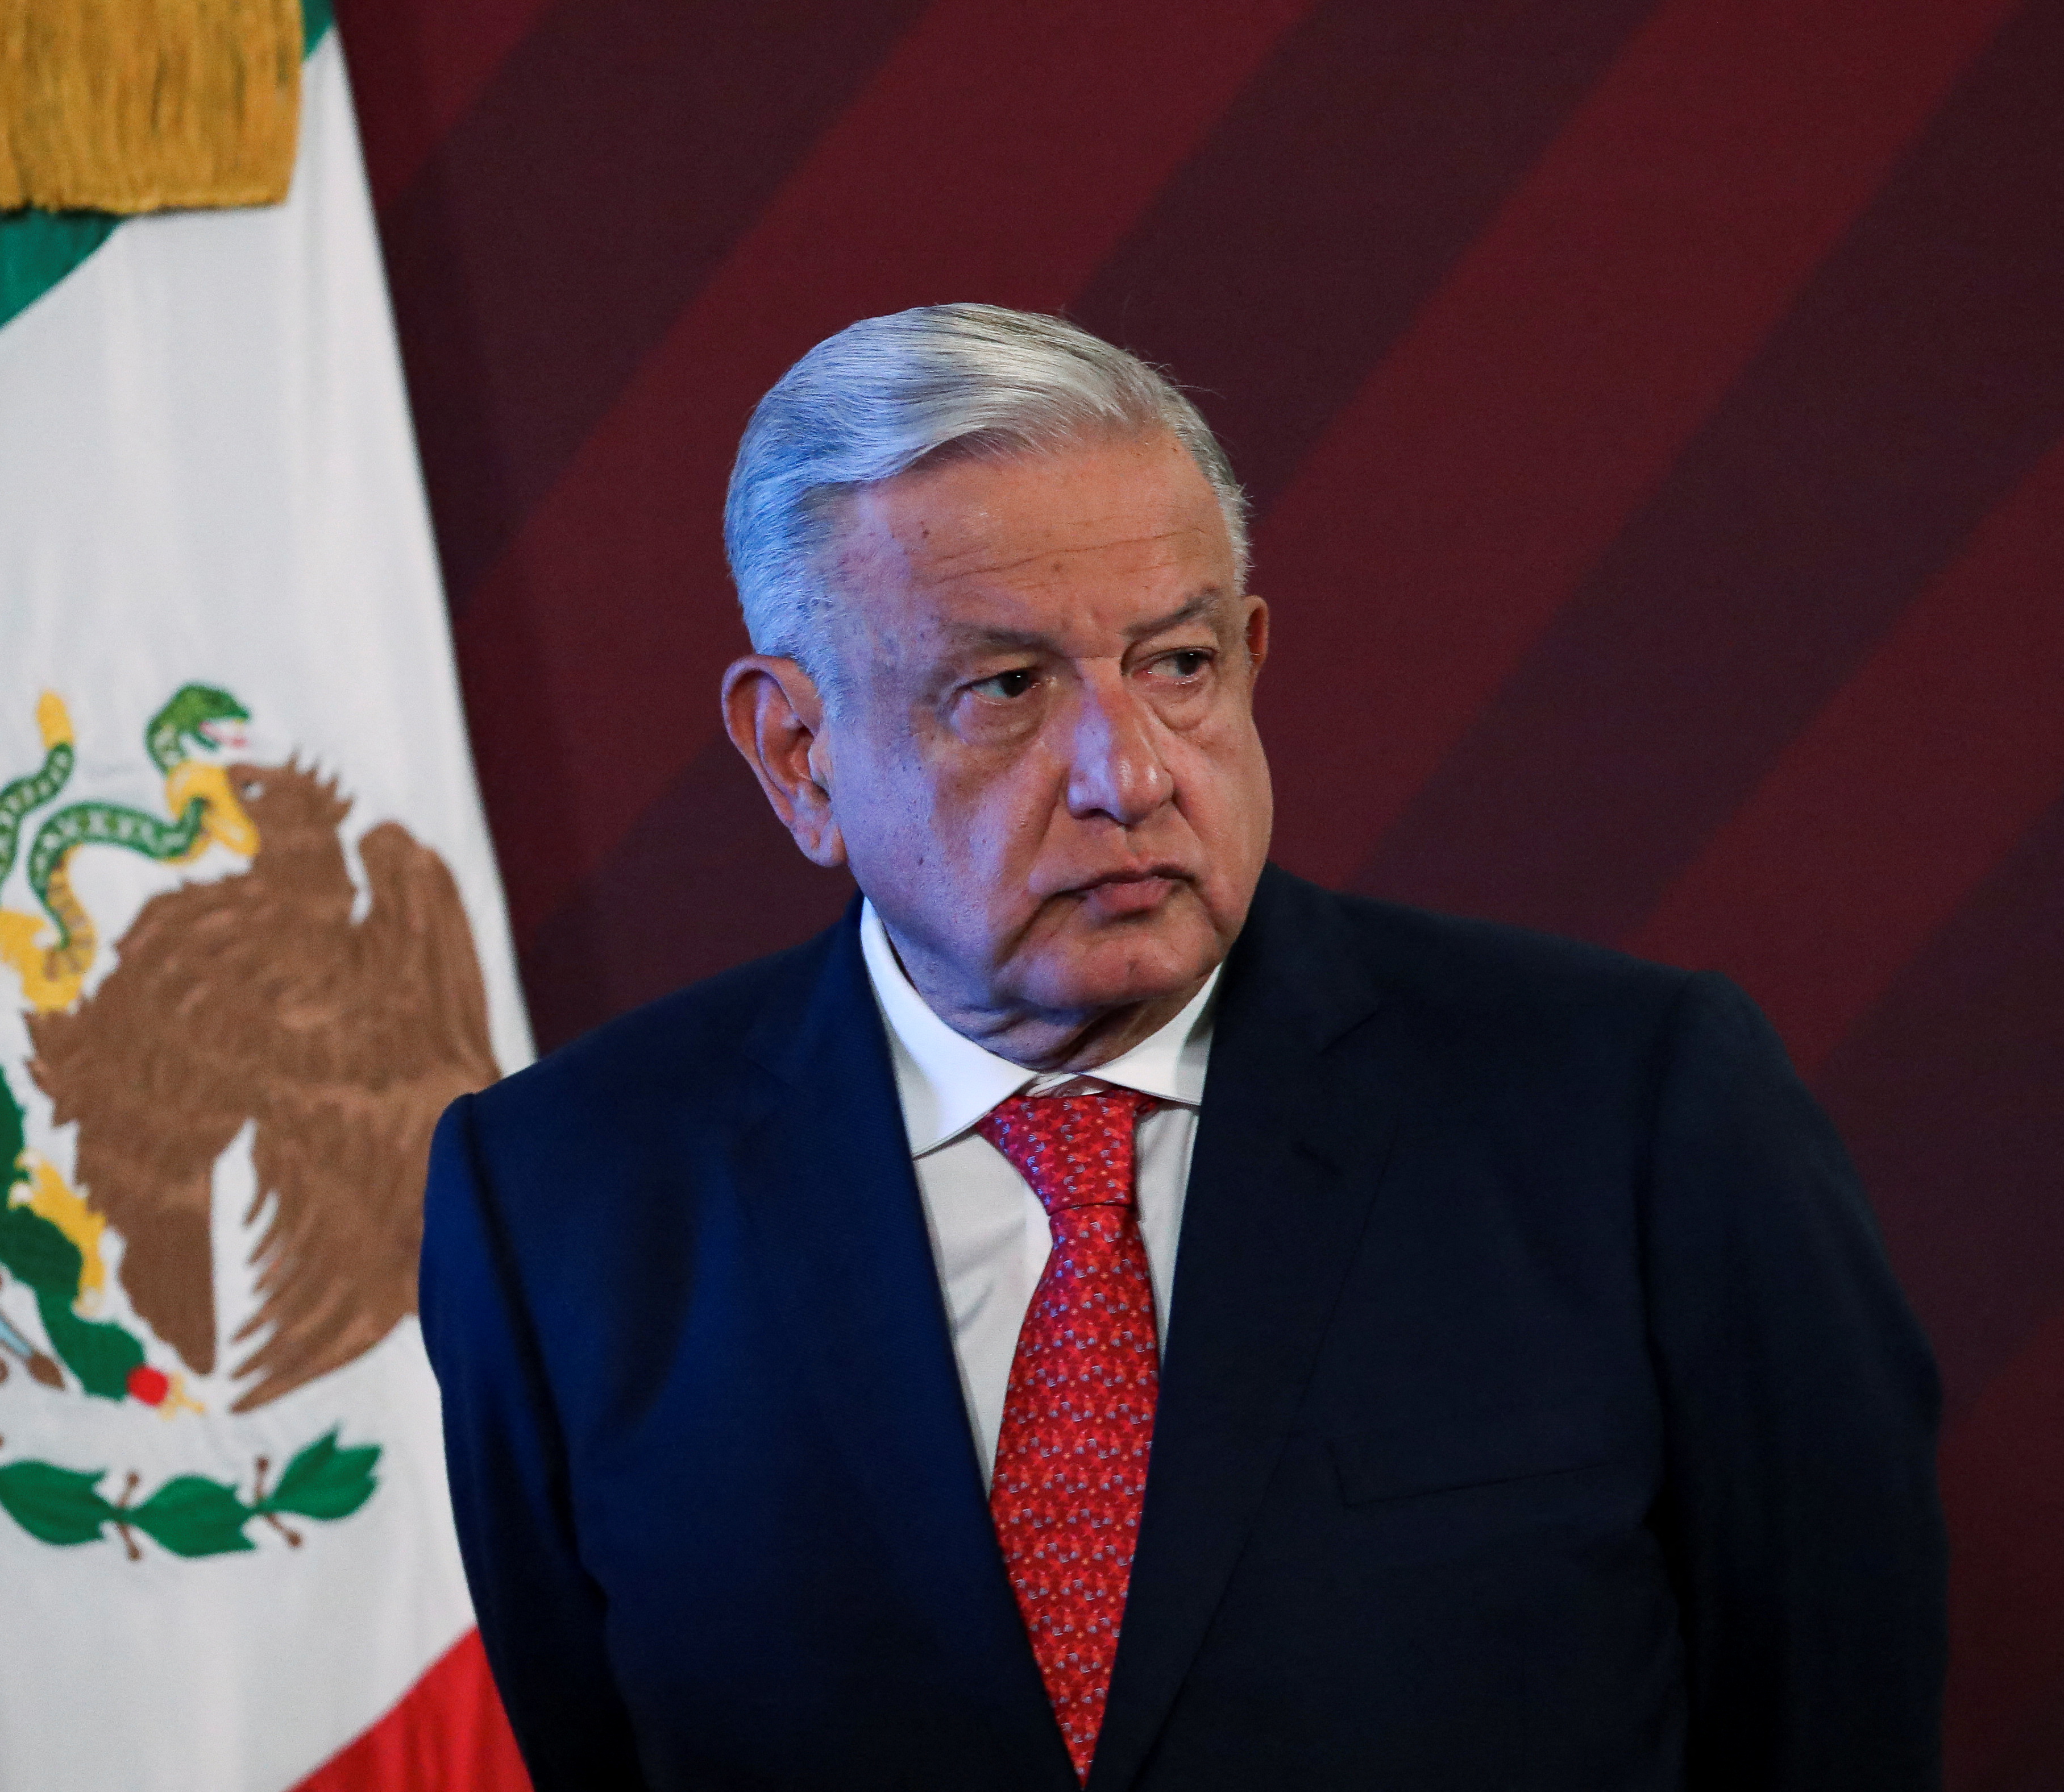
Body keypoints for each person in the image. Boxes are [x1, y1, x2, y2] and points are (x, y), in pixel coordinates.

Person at [417, 304, 1945, 1790]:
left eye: (1179, 664)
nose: (1129, 771)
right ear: (798, 754)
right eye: (1006, 689)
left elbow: (1832, 1717)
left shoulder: (1632, 1114)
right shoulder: (561, 1201)